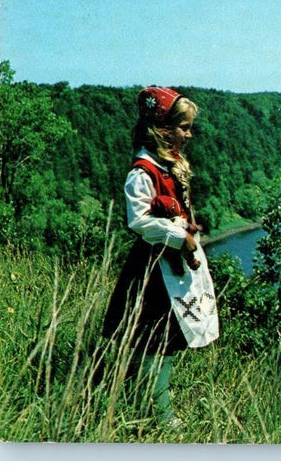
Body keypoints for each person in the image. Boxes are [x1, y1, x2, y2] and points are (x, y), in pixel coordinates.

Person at [102, 86, 219, 429]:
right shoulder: (143, 171)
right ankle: (158, 415)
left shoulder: (168, 166)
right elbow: (137, 220)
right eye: (183, 127)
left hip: (173, 268)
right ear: (162, 129)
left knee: (163, 344)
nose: (189, 134)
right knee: (154, 343)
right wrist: (177, 235)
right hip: (154, 273)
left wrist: (186, 231)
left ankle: (150, 405)